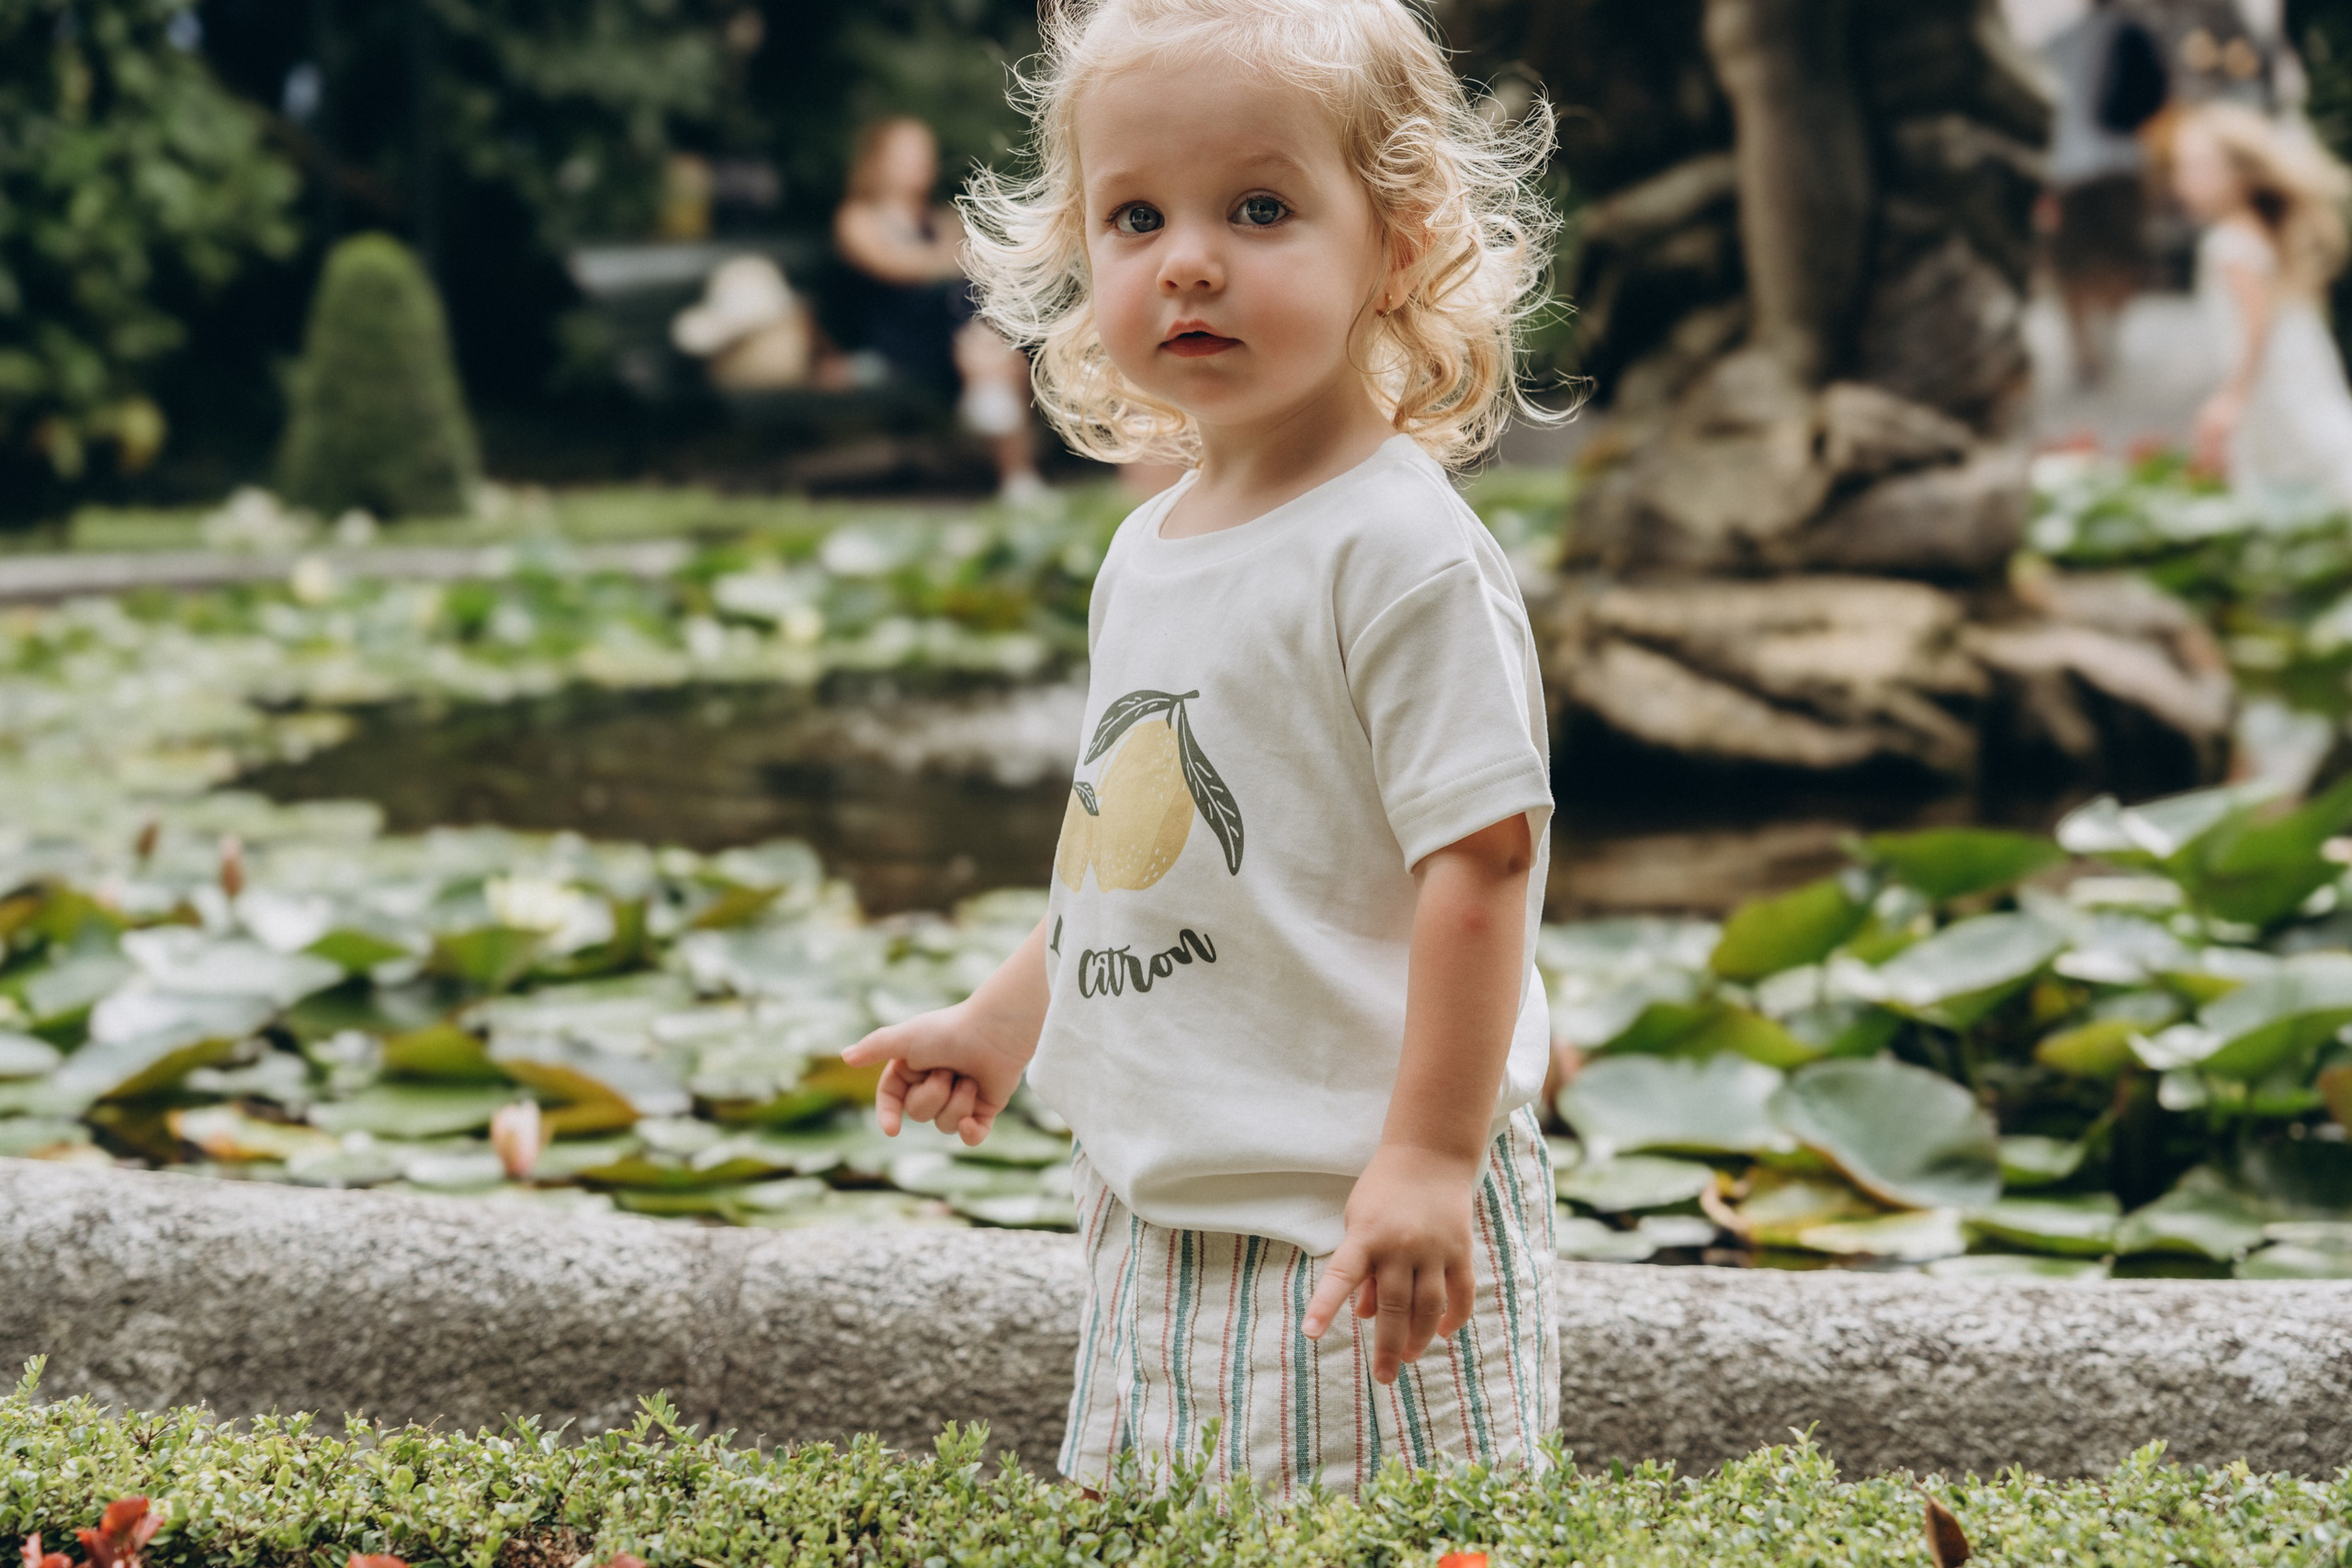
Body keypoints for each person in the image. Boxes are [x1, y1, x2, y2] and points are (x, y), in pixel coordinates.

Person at [839, 0, 1563, 1498]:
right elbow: (1123, 850)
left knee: (1386, 1525)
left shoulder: (1399, 550)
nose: (1188, 257)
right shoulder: (1149, 550)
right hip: (1160, 1188)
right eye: (1136, 215)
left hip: (1352, 1200)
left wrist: (1426, 1161)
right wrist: (1001, 1018)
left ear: (1402, 241)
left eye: (1259, 206)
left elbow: (1486, 863)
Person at [832, 117, 1046, 503]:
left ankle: (1012, 462)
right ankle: (1017, 476)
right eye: (907, 155)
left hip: (951, 336)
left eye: (923, 154)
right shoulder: (858, 218)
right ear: (878, 161)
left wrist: (947, 259)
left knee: (990, 337)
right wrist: (946, 259)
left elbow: (969, 264)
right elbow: (896, 267)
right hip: (898, 340)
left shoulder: (939, 217)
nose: (919, 164)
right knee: (987, 333)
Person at [2173, 101, 2352, 507]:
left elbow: (2255, 323)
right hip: (2291, 360)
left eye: (2197, 166)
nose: (2183, 180)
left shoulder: (2230, 242)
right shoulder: (2257, 230)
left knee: (2305, 442)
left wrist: (2232, 395)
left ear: (2238, 174)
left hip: (2273, 369)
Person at [2040, 0, 2170, 386]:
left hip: (2076, 165)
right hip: (2110, 162)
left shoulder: (2059, 38)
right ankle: (2097, 341)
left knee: (2078, 262)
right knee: (2109, 257)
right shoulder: (2132, 31)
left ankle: (2088, 343)